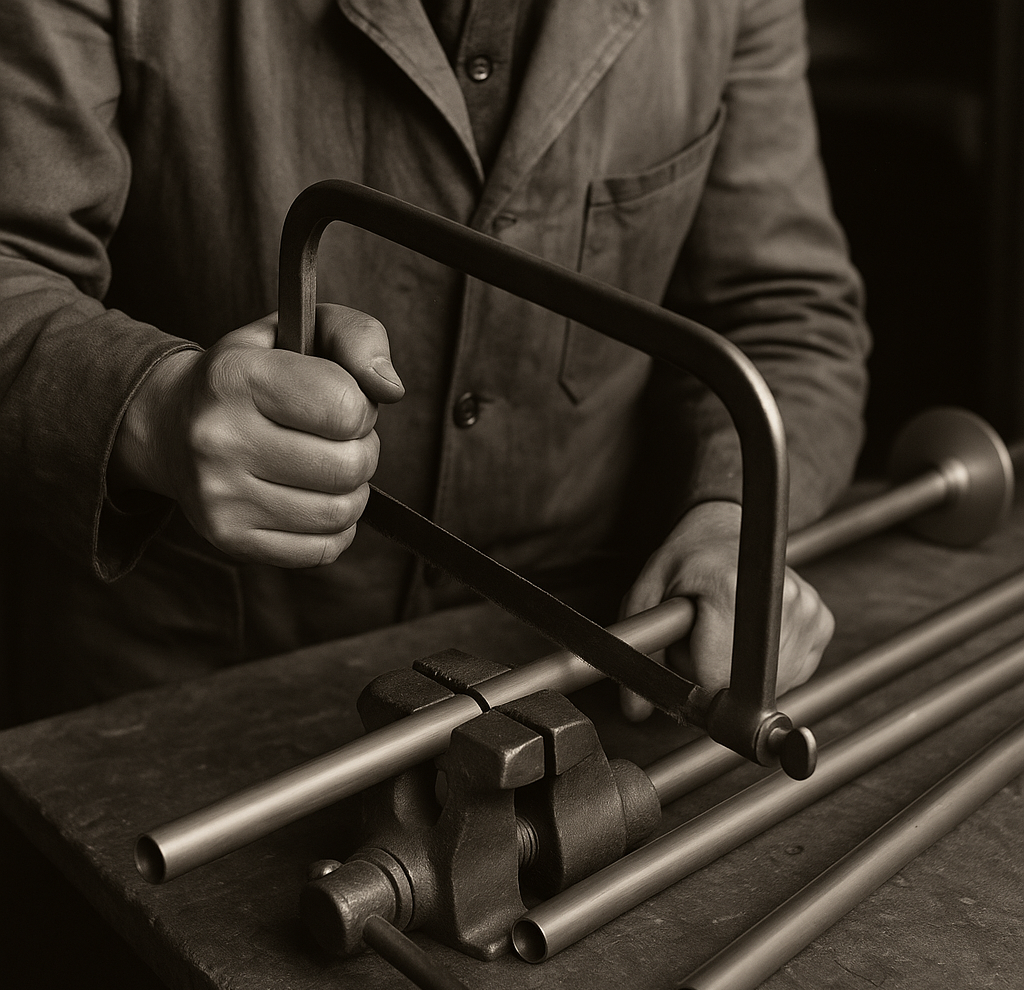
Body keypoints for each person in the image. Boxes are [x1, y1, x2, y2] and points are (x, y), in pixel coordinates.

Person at [0, 0, 869, 723]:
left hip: (571, 667)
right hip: (188, 687)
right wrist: (155, 411)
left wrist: (733, 518)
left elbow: (786, 312)